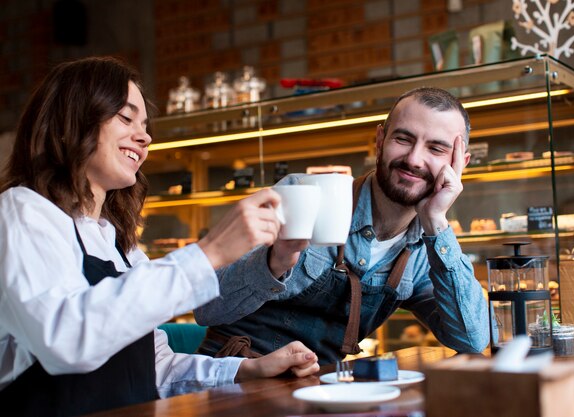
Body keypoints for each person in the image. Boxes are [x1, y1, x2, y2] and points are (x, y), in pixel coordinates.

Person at [0, 56, 319, 417]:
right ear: (70, 120)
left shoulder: (120, 244)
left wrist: (247, 369)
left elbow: (156, 368)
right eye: (125, 117)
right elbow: (66, 341)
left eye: (146, 125)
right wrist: (209, 252)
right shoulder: (22, 211)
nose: (145, 136)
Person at [194, 87, 490, 364]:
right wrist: (273, 263)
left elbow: (472, 340)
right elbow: (207, 308)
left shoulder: (426, 249)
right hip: (234, 377)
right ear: (379, 141)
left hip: (317, 387)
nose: (414, 159)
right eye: (403, 139)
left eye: (435, 149)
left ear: (459, 164)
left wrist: (437, 223)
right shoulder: (303, 195)